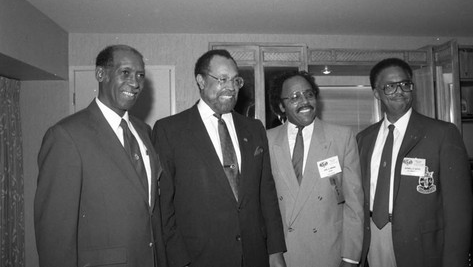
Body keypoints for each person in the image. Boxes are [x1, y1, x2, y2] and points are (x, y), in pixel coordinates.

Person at [34, 45, 166, 267]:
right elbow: (54, 233)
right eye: (125, 72)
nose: (135, 83)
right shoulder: (66, 136)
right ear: (100, 74)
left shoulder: (144, 131)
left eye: (140, 75)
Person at [152, 49, 287, 267]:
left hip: (254, 255)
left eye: (236, 80)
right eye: (222, 79)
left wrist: (275, 250)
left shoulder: (254, 129)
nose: (231, 87)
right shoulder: (169, 131)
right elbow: (164, 206)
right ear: (201, 81)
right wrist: (178, 260)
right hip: (199, 258)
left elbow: (266, 193)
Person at [357, 58, 473, 267]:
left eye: (405, 84)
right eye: (390, 86)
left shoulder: (442, 133)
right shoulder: (364, 138)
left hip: (422, 244)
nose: (399, 91)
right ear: (376, 93)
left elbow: (460, 212)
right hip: (373, 237)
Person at [267, 70, 364, 267]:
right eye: (294, 97)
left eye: (309, 94)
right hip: (284, 254)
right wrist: (271, 252)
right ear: (281, 106)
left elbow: (354, 204)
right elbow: (263, 206)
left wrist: (350, 258)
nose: (305, 101)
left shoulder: (341, 138)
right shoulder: (266, 140)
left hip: (328, 252)